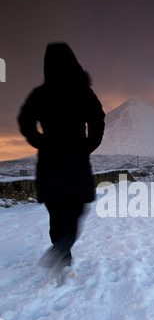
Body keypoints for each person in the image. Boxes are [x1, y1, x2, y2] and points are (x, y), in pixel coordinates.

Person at [18, 42, 105, 271]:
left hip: (49, 160)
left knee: (55, 209)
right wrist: (87, 145)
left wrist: (40, 141)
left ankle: (61, 252)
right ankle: (62, 247)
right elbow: (98, 119)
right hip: (75, 159)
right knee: (75, 207)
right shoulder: (82, 92)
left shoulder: (40, 94)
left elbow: (24, 121)